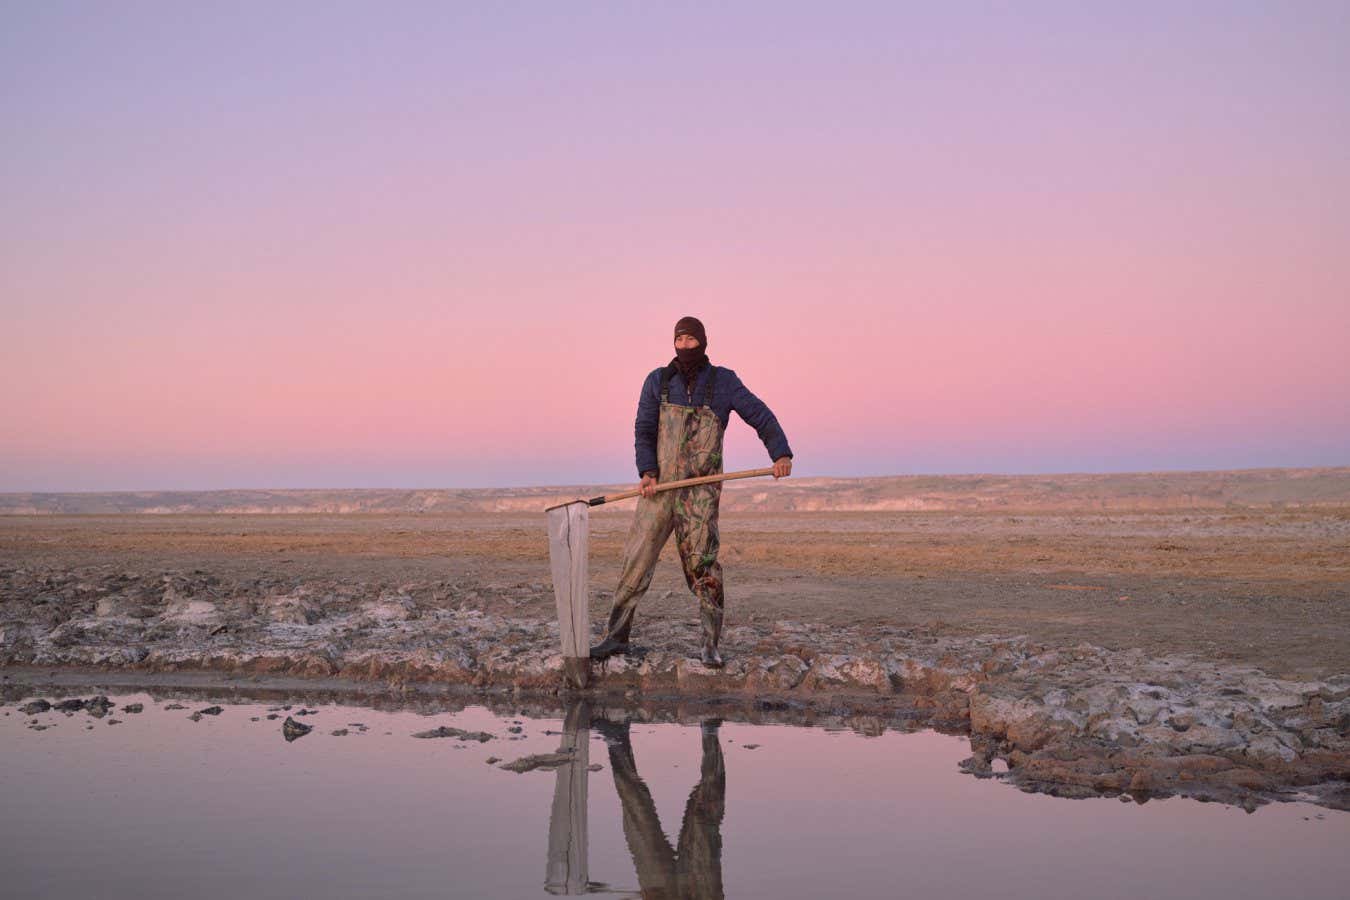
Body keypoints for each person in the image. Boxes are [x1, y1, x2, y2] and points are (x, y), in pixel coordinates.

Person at [590, 316, 792, 667]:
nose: (684, 346)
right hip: (659, 490)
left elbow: (760, 415)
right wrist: (647, 471)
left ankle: (710, 645)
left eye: (691, 340)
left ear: (703, 342)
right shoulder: (657, 381)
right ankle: (616, 637)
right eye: (679, 340)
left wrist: (781, 454)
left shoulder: (724, 381)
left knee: (704, 566)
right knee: (636, 561)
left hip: (700, 493)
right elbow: (644, 429)